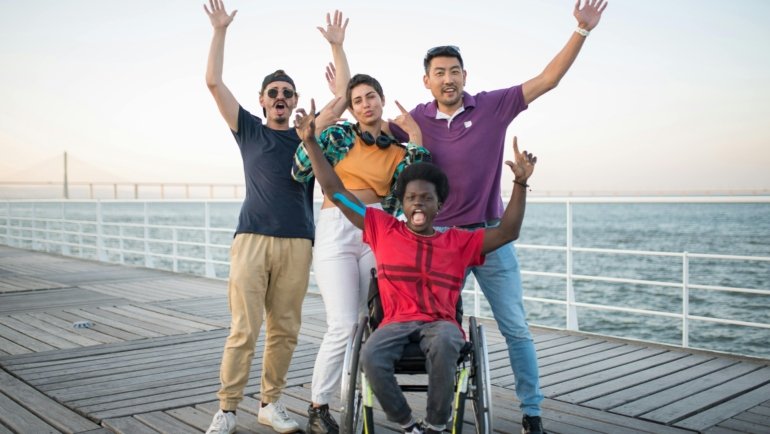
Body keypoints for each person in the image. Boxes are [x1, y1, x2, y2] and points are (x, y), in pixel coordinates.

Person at [387, 2, 607, 432]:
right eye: (439, 73)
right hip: (442, 242)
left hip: (491, 237)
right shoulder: (413, 120)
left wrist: (581, 30)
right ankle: (440, 410)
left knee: (516, 327)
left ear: (465, 76)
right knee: (437, 328)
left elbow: (548, 79)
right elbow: (367, 124)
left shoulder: (492, 106)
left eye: (454, 71)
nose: (448, 79)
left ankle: (532, 412)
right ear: (427, 81)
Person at [296, 99, 536, 434]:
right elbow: (335, 191)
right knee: (370, 356)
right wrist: (310, 142)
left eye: (426, 198)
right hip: (395, 323)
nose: (418, 204)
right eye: (411, 198)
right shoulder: (383, 229)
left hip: (440, 324)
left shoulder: (457, 241)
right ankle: (409, 425)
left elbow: (508, 231)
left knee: (447, 342)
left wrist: (520, 185)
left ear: (440, 204)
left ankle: (436, 425)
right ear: (402, 203)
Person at [202, 1, 348, 433]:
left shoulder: (308, 133)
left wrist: (337, 47)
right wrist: (220, 31)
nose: (280, 97)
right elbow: (213, 82)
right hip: (251, 239)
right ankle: (227, 409)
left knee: (285, 329)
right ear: (263, 101)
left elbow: (343, 98)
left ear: (296, 101)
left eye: (287, 93)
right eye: (273, 93)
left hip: (298, 241)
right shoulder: (249, 129)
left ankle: (270, 403)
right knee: (243, 329)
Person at [292, 74, 430, 434]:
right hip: (336, 226)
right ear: (352, 109)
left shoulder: (397, 151)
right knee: (341, 323)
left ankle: (358, 397)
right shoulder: (339, 136)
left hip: (377, 229)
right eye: (357, 100)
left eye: (371, 97)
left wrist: (415, 137)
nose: (366, 104)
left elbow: (417, 183)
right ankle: (318, 406)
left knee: (366, 320)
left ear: (382, 99)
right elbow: (300, 171)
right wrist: (312, 135)